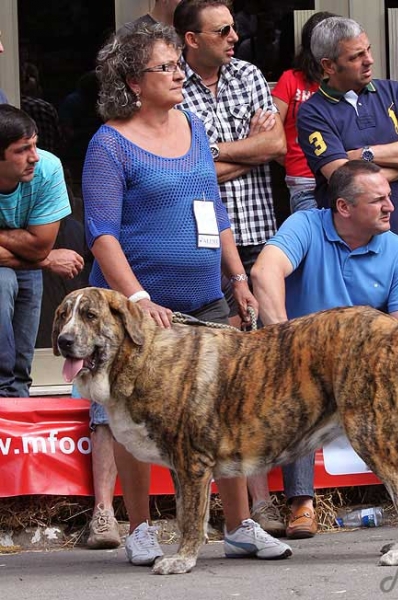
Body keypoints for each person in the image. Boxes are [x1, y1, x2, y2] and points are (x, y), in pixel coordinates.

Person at [81, 23, 291, 563]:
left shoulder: (194, 128)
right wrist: (136, 298)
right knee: (134, 416)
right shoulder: (109, 143)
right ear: (132, 80)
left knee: (224, 410)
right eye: (166, 68)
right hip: (139, 310)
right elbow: (102, 233)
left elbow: (213, 211)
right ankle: (141, 530)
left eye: (178, 65)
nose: (179, 75)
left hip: (205, 301)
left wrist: (238, 278)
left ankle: (241, 525)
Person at [251, 161, 398, 537]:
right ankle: (302, 503)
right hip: (305, 352)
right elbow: (264, 272)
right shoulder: (306, 225)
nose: (392, 206)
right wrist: (283, 338)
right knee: (299, 371)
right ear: (344, 207)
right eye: (378, 200)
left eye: (389, 197)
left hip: (367, 358)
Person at [173, 0, 287, 536]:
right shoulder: (170, 84)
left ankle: (257, 506)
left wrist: (216, 153)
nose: (235, 37)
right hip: (203, 246)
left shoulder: (249, 75)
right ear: (191, 39)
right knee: (214, 380)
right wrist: (247, 149)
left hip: (259, 236)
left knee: (255, 375)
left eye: (235, 28)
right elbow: (187, 169)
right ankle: (228, 509)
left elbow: (277, 145)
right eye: (222, 31)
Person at [297, 16, 398, 349]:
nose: (369, 60)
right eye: (356, 56)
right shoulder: (313, 113)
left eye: (368, 50)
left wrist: (363, 154)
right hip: (357, 251)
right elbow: (341, 178)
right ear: (328, 65)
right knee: (365, 351)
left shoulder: (393, 92)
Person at [0, 105, 83, 397]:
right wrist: (47, 261)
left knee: (22, 364)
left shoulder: (46, 168)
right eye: (22, 150)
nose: (34, 156)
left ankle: (17, 425)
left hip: (28, 262)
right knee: (3, 281)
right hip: (17, 268)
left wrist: (41, 256)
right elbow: (39, 253)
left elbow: (38, 245)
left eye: (34, 145)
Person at [271, 11, 335, 213]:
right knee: (313, 241)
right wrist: (291, 157)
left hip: (341, 177)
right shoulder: (290, 79)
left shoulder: (343, 81)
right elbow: (272, 132)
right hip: (303, 179)